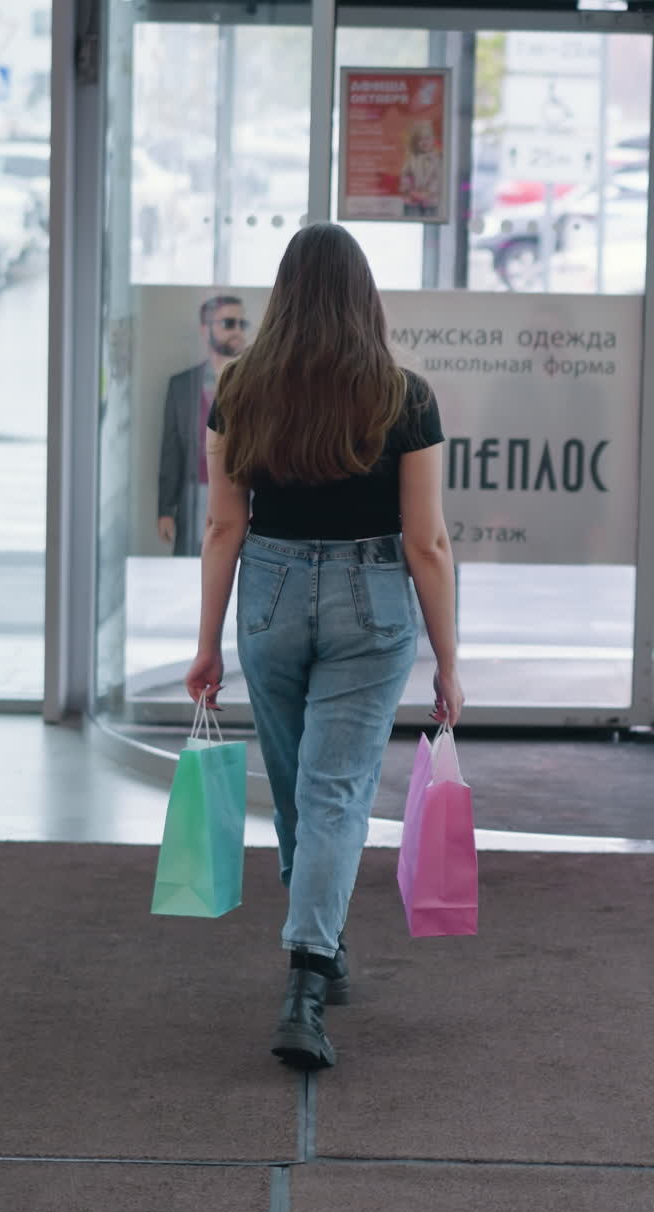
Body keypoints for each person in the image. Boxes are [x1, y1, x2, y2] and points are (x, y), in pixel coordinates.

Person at [185, 222, 463, 1071]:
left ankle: (318, 947)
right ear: (363, 296)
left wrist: (206, 648)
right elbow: (427, 544)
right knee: (334, 791)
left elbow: (224, 525)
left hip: (266, 595)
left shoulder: (242, 389)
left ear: (287, 295)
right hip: (370, 600)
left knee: (299, 787)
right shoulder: (404, 394)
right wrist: (449, 663)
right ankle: (309, 972)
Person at [158, 295, 249, 556]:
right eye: (229, 323)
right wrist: (165, 509)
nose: (237, 331)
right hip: (195, 495)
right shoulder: (182, 385)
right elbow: (171, 450)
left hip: (243, 495)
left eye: (242, 324)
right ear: (205, 328)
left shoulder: (258, 384)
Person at [399, 118, 443, 219]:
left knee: (431, 216)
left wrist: (428, 192)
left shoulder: (437, 159)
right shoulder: (411, 159)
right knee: (411, 217)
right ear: (415, 142)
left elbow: (437, 177)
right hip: (412, 199)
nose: (424, 142)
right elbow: (405, 176)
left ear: (433, 139)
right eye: (420, 139)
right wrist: (411, 191)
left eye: (427, 138)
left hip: (431, 200)